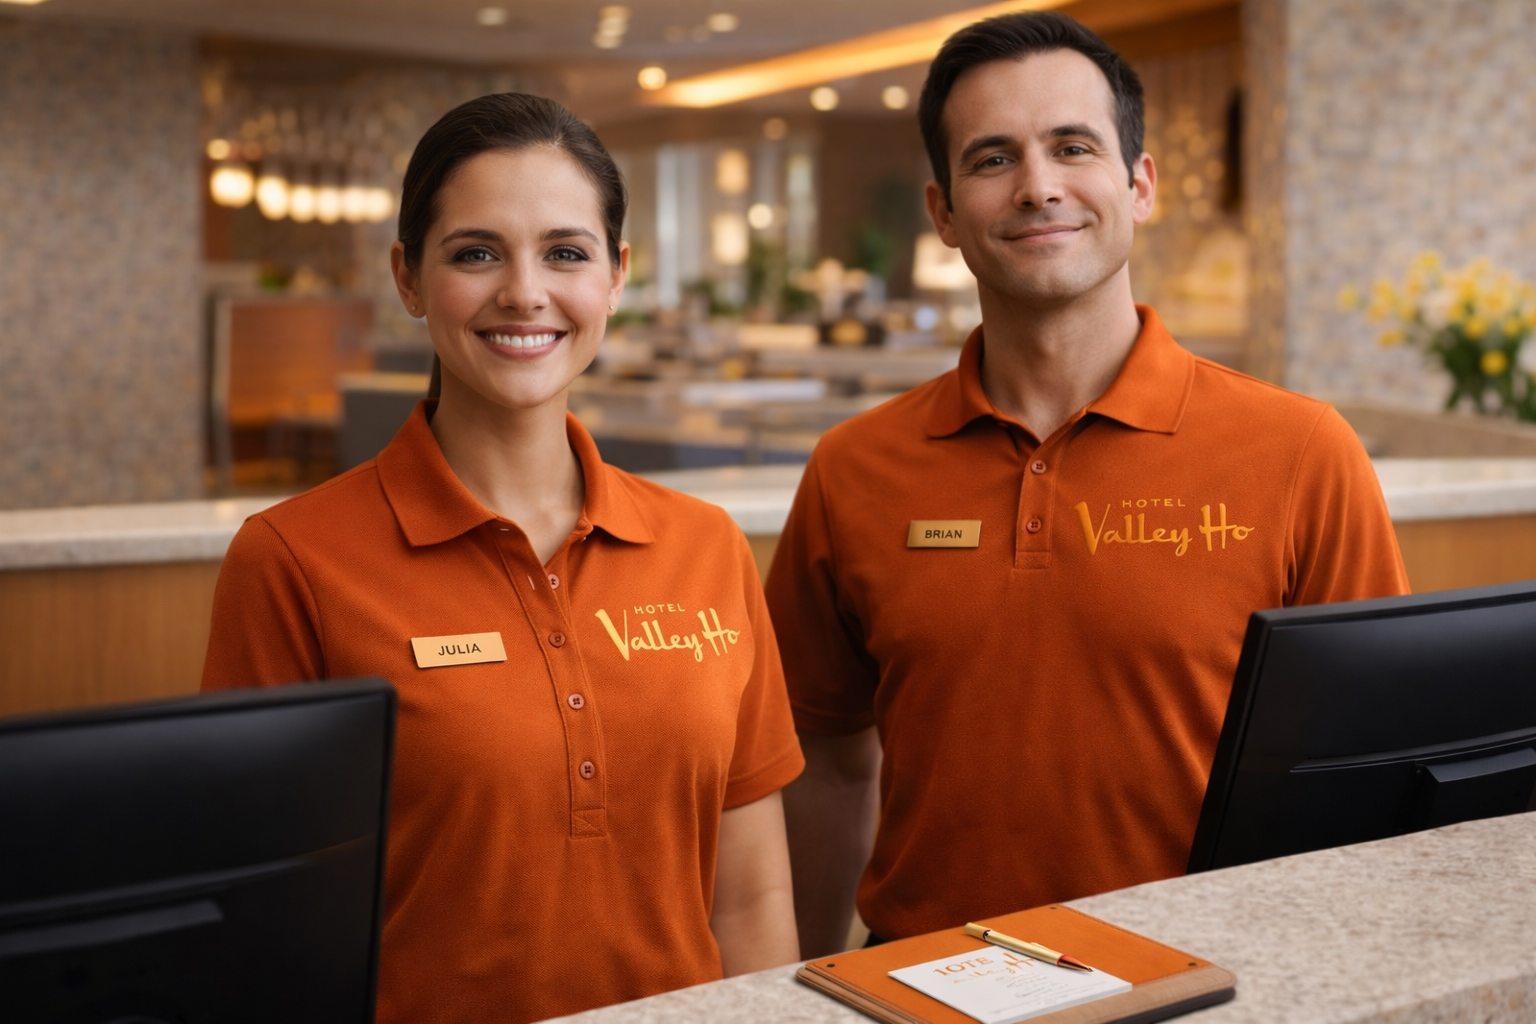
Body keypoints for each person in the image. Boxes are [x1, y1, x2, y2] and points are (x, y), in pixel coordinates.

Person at [767, 11, 1409, 957]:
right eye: (992, 159)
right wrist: (801, 991)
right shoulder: (853, 470)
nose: (1038, 187)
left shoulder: (1303, 451)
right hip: (922, 990)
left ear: (1138, 184)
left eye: (1073, 147)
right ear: (943, 212)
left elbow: (1374, 771)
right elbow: (821, 763)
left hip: (1208, 987)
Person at [201, 93, 803, 1023]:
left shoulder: (707, 548)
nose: (525, 292)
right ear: (408, 277)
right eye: (476, 253)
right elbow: (260, 921)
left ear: (616, 276)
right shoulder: (293, 561)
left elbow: (751, 899)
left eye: (566, 252)